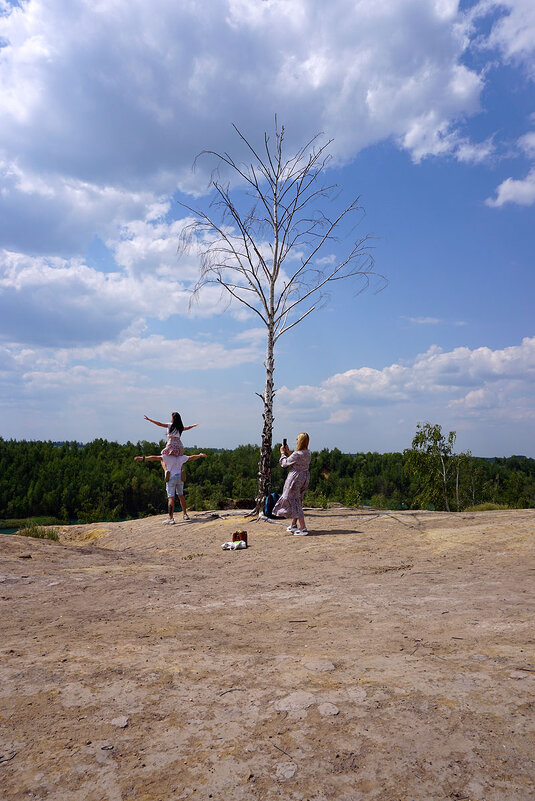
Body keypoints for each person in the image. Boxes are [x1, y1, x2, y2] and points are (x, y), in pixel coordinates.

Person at [134, 452, 206, 524]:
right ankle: (185, 514)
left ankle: (171, 519)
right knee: (181, 495)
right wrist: (200, 455)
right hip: (180, 477)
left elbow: (154, 458)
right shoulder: (181, 457)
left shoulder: (167, 457)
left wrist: (142, 458)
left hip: (171, 478)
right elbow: (192, 457)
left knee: (171, 498)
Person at [272, 432, 311, 535]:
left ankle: (303, 527)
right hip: (305, 478)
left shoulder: (297, 454)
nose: (296, 440)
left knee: (294, 500)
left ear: (300, 441)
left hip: (295, 479)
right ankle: (294, 524)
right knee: (297, 500)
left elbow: (284, 464)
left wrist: (282, 453)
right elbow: (297, 461)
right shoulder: (308, 453)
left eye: (298, 439)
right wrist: (289, 452)